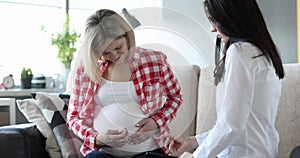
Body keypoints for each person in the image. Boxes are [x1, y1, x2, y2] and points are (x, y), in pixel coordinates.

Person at [164, 0, 285, 157]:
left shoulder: (241, 52)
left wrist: (196, 156)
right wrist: (195, 141)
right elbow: (243, 124)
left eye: (215, 20)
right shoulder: (262, 52)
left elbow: (231, 125)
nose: (212, 28)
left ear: (232, 18)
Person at [66, 9, 183, 158]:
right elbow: (73, 117)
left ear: (127, 36)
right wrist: (97, 138)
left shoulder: (154, 60)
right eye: (105, 53)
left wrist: (156, 122)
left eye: (118, 47)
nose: (114, 56)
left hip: (148, 151)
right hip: (104, 153)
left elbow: (175, 97)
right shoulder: (85, 70)